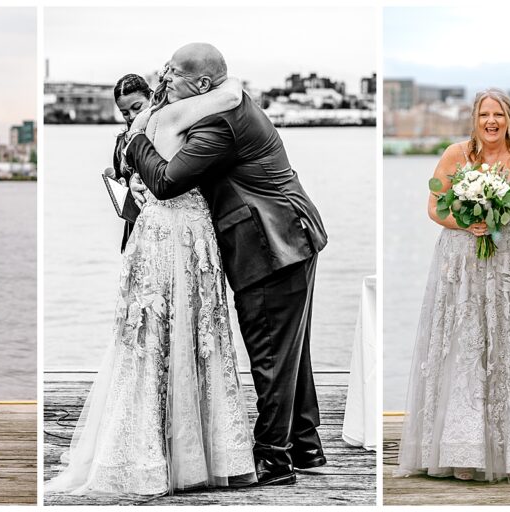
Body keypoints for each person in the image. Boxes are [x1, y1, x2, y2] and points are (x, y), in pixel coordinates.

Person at [125, 43, 328, 487]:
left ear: (201, 84)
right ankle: (306, 444)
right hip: (291, 235)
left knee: (271, 351)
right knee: (291, 347)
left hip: (272, 247)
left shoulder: (217, 123)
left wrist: (136, 136)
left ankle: (274, 459)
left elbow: (165, 181)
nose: (164, 80)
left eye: (173, 73)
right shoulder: (222, 103)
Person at [44, 68, 255, 496]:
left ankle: (188, 449)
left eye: (135, 108)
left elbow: (225, 102)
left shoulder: (164, 121)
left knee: (192, 333)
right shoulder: (157, 125)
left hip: (179, 230)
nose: (128, 118)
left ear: (153, 94)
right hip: (164, 232)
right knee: (156, 335)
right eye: (123, 112)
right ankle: (159, 447)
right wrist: (127, 189)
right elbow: (231, 93)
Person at [395, 89, 510, 482]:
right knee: (465, 348)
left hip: (507, 270)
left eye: (498, 114)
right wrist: (465, 222)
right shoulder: (457, 155)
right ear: (474, 118)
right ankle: (460, 448)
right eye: (484, 114)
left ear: (509, 118)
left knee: (507, 348)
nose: (491, 121)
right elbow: (435, 207)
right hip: (462, 268)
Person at [106, 74, 153, 252]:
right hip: (135, 226)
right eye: (125, 112)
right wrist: (119, 184)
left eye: (137, 107)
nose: (132, 116)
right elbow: (121, 184)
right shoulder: (121, 143)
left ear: (151, 97)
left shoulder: (167, 132)